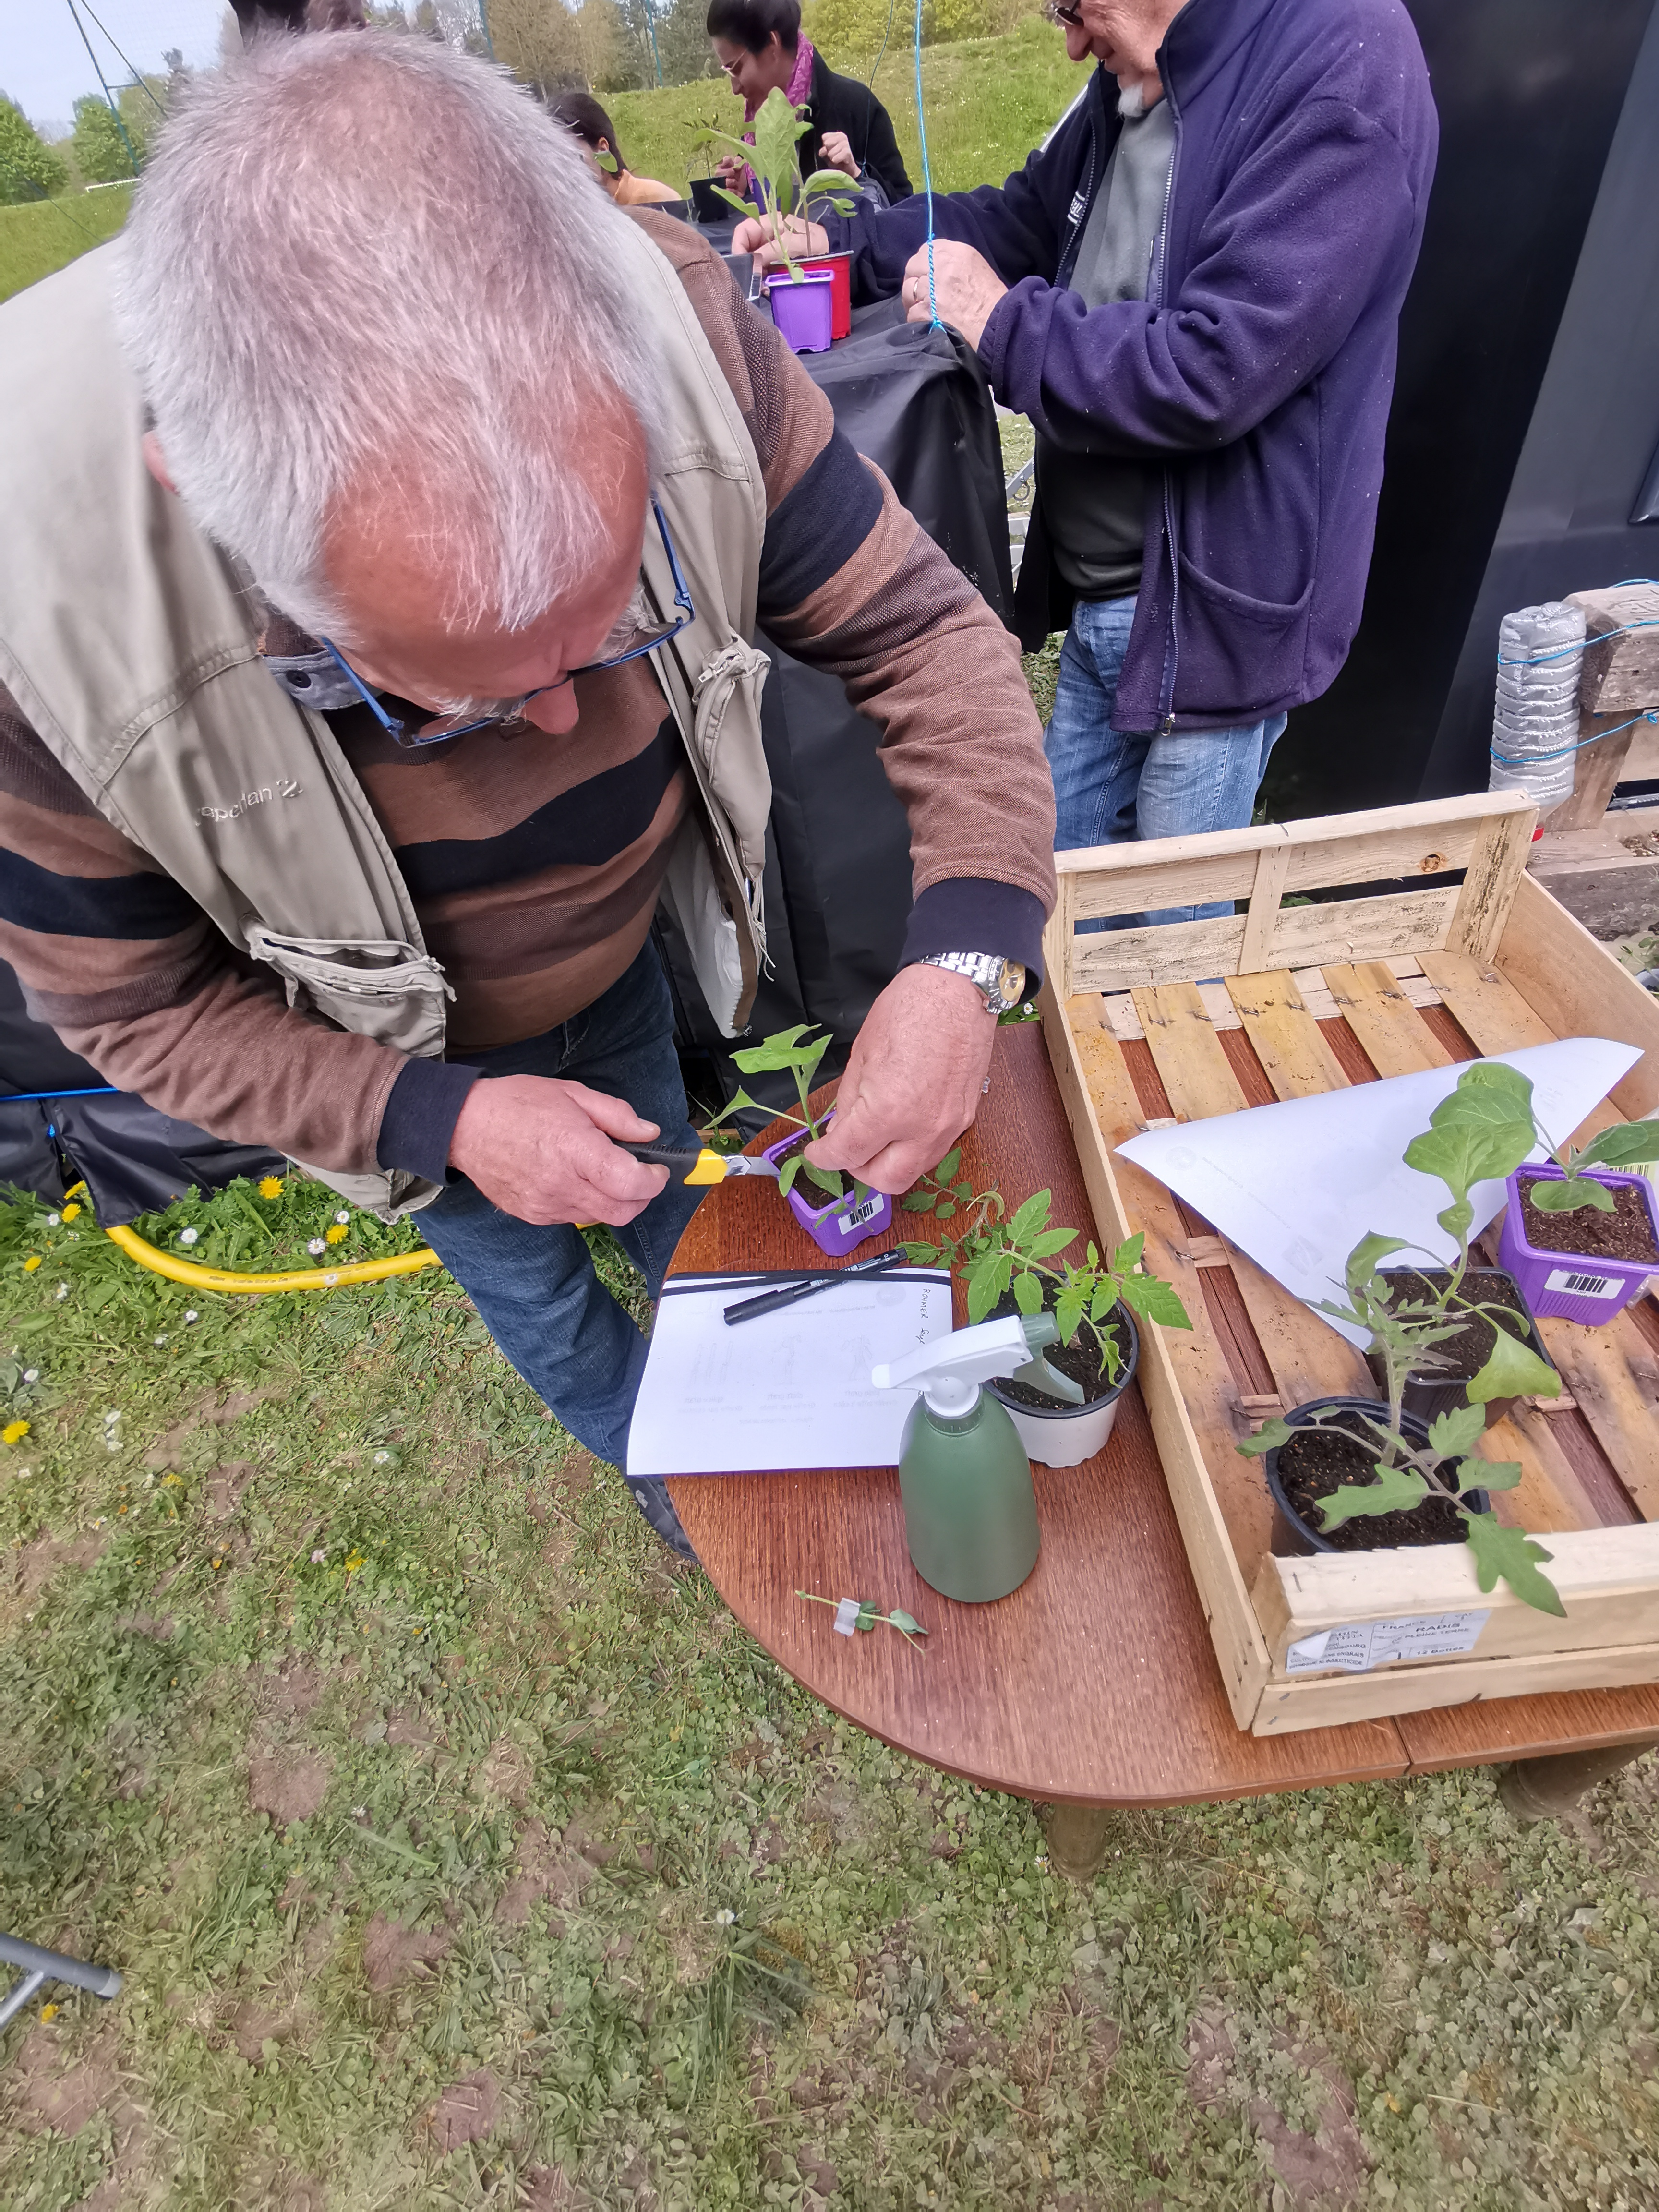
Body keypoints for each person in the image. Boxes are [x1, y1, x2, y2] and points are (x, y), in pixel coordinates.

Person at [0, 32, 1054, 1558]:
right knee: (548, 1308)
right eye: (457, 694)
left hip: (613, 978)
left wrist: (963, 962)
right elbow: (132, 1010)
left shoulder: (681, 314)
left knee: (688, 1213)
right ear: (208, 501)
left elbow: (924, 635)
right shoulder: (43, 625)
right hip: (393, 1069)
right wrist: (434, 1116)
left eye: (616, 620)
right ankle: (687, 1497)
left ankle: (765, 1434)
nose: (560, 719)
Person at [737, 0, 1437, 917]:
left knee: (1165, 953)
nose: (1068, 42)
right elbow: (1020, 217)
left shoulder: (1341, 59)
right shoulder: (1131, 82)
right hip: (1113, 609)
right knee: (1057, 902)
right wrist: (839, 239)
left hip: (1216, 623)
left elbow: (1218, 364)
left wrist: (1002, 322)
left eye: (1070, 9)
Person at [707, 0, 911, 210]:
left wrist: (857, 176)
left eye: (735, 69)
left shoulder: (857, 108)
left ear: (771, 44)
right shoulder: (761, 124)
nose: (735, 88)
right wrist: (745, 192)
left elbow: (905, 210)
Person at [549, 90, 682, 208]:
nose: (565, 171)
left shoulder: (659, 200)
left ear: (602, 150)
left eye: (574, 157)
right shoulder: (577, 217)